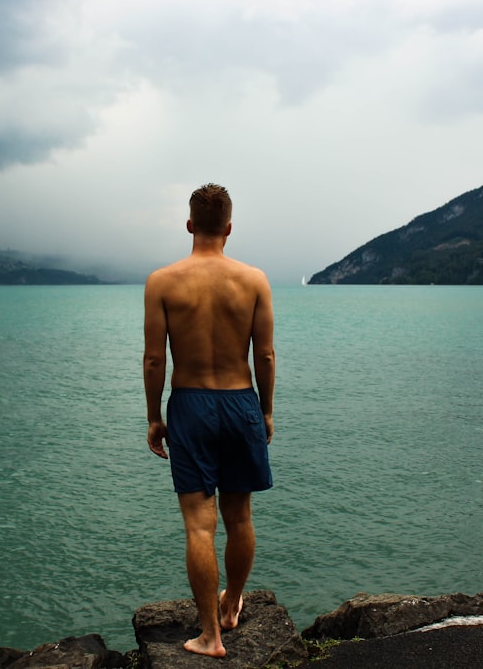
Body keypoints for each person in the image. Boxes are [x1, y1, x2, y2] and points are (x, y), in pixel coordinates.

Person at [143, 183, 276, 658]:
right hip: (241, 401)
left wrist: (154, 416)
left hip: (191, 405)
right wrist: (265, 410)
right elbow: (264, 352)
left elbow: (155, 359)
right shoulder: (254, 280)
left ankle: (210, 637)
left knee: (200, 527)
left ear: (189, 225)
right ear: (230, 228)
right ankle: (233, 604)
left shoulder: (162, 281)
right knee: (239, 517)